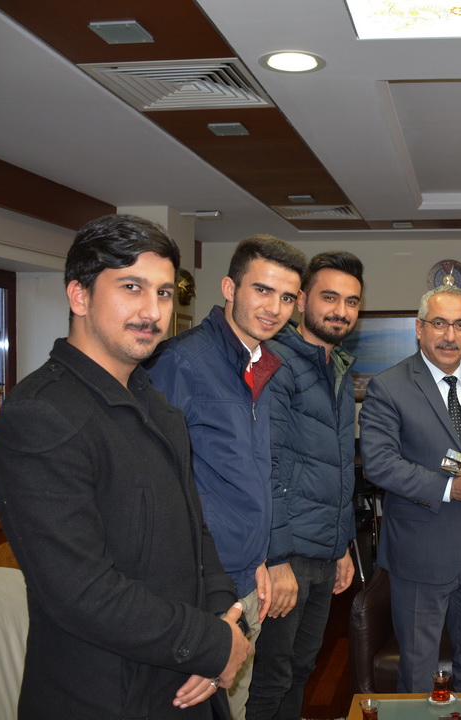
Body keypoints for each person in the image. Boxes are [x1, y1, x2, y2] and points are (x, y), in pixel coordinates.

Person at [0, 214, 252, 719]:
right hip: (103, 696)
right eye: (131, 287)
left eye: (163, 293)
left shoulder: (158, 408)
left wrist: (227, 614)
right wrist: (211, 643)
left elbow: (195, 532)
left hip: (186, 682)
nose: (153, 311)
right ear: (79, 295)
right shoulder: (40, 414)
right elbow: (81, 591)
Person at [146, 234, 307, 719]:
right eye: (262, 290)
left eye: (286, 298)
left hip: (244, 577)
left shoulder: (262, 363)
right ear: (230, 288)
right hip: (199, 589)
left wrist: (260, 556)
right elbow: (157, 484)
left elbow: (244, 475)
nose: (274, 308)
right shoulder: (181, 362)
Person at [358, 283, 461, 693]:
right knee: (418, 677)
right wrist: (449, 489)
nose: (450, 335)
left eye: (460, 325)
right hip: (420, 553)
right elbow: (379, 463)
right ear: (419, 328)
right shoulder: (388, 386)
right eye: (439, 324)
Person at [246, 251, 363, 719]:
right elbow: (266, 465)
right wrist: (275, 560)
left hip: (322, 552)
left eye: (351, 301)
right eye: (329, 297)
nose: (341, 310)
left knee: (299, 670)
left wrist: (342, 545)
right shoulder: (276, 362)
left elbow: (336, 467)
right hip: (286, 554)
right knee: (270, 679)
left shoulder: (337, 369)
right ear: (301, 302)